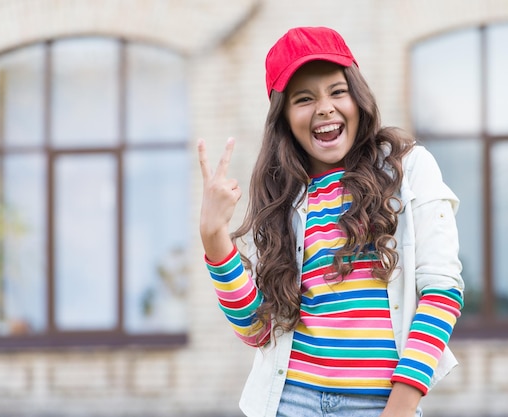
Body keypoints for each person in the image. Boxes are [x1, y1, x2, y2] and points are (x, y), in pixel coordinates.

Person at [197, 26, 464, 417]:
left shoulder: (409, 170)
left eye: (337, 91)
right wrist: (213, 236)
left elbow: (442, 293)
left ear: (358, 97)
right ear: (285, 118)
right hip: (291, 403)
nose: (324, 107)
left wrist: (401, 408)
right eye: (304, 99)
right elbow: (258, 331)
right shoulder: (283, 199)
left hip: (381, 405)